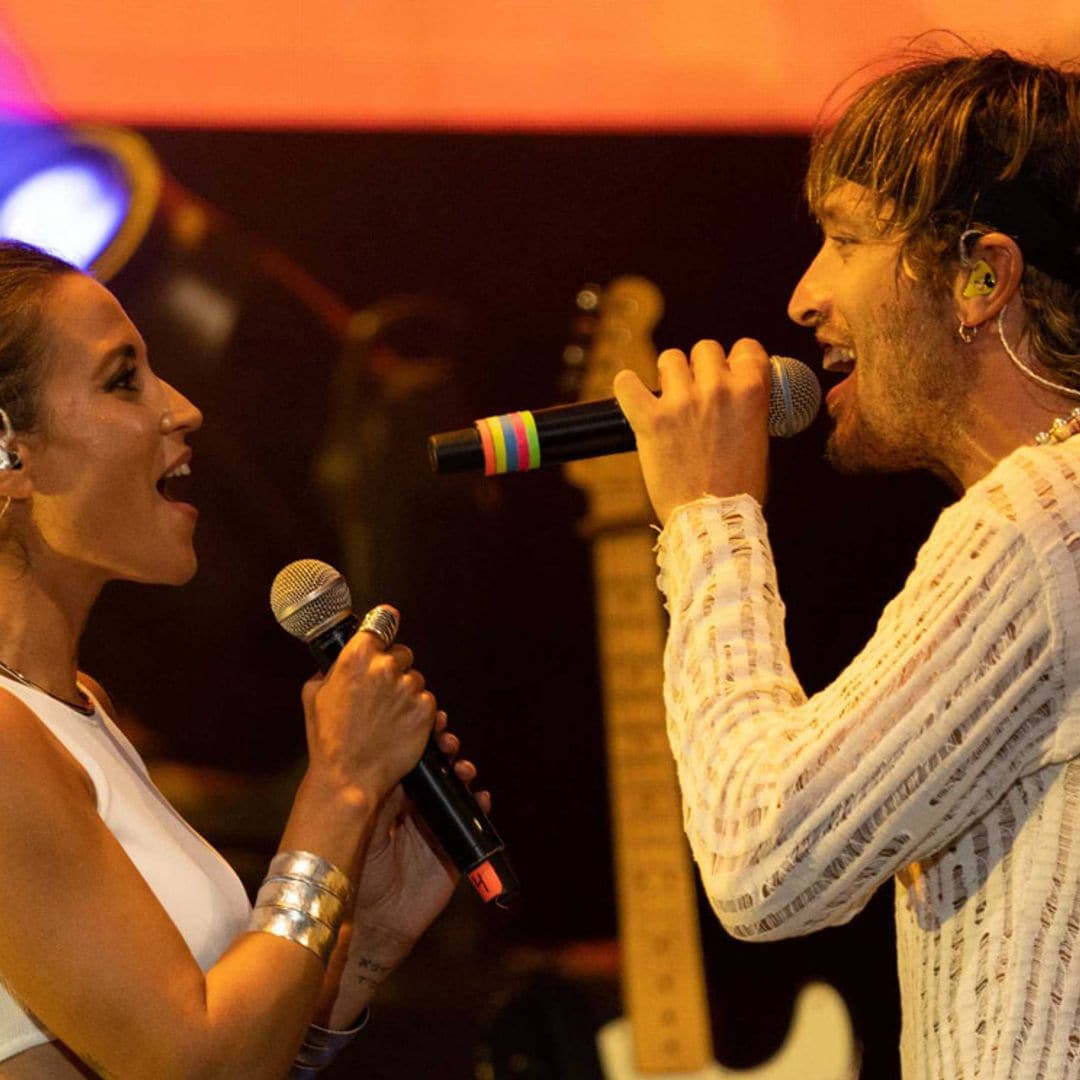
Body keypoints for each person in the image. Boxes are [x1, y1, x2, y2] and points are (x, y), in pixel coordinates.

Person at [612, 48, 1080, 1078]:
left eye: (846, 240)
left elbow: (761, 863)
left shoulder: (1046, 520)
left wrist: (709, 517)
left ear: (981, 278)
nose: (803, 297)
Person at [0, 239, 484, 1078]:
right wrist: (338, 788)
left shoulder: (79, 708)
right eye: (124, 379)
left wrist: (362, 939)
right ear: (11, 454)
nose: (182, 408)